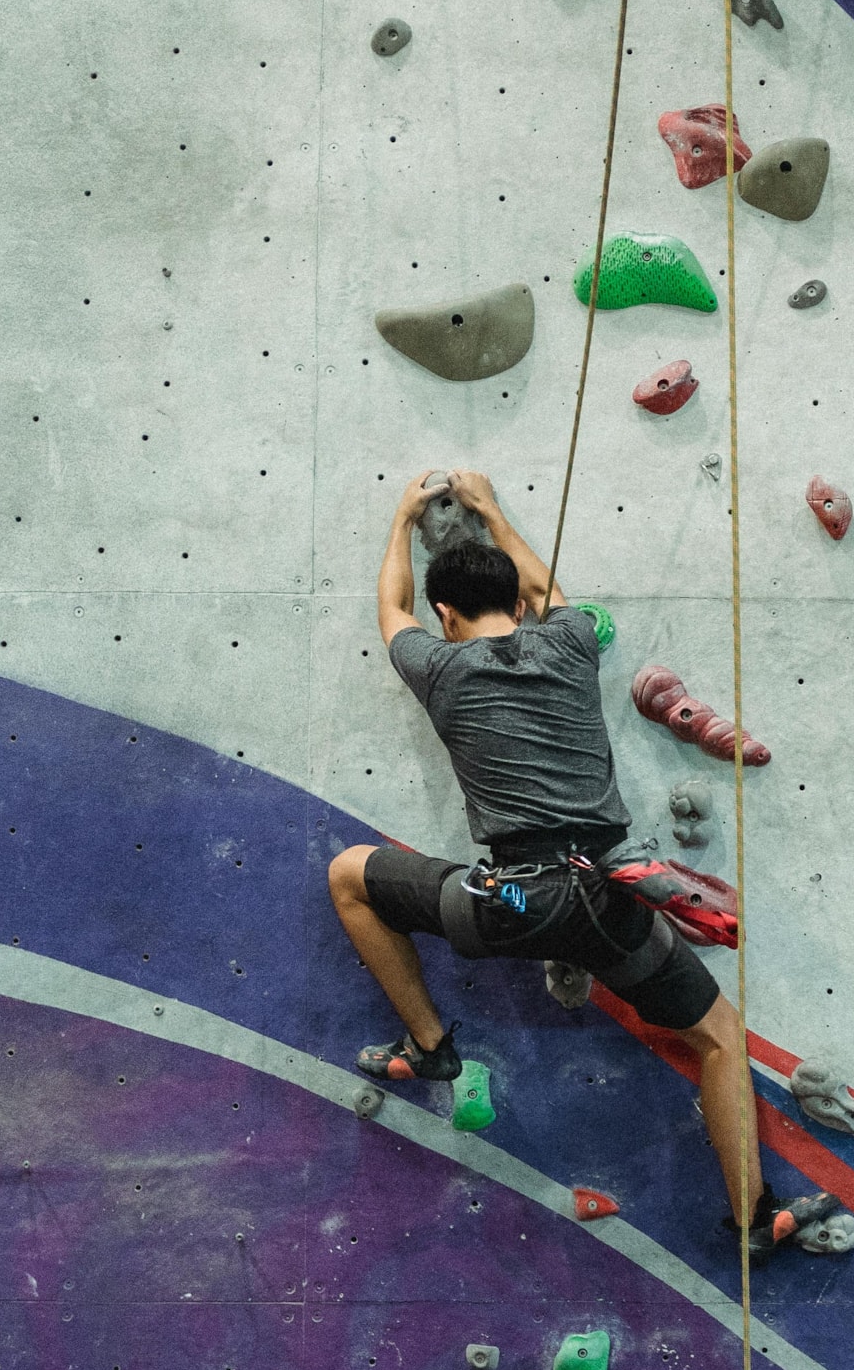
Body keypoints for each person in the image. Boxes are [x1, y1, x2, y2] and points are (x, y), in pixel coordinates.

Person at [328, 468, 772, 1237]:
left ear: (447, 616)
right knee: (720, 1038)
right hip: (603, 899)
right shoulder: (570, 642)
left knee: (350, 877)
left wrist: (403, 518)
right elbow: (547, 590)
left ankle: (430, 1044)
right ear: (517, 603)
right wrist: (491, 510)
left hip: (503, 901)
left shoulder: (436, 664)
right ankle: (755, 1218)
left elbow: (391, 608)